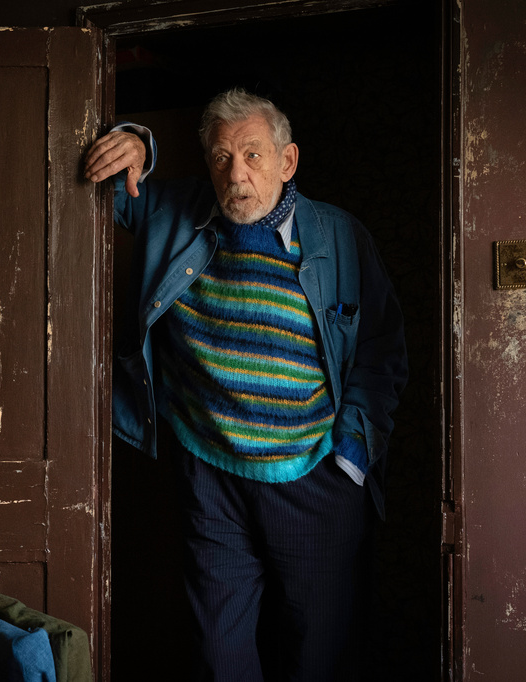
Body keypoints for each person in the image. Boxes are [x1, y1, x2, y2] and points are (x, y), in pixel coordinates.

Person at [85, 88, 407, 680]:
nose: (237, 176)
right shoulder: (171, 212)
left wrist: (352, 455)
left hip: (313, 474)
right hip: (209, 472)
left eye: (254, 156)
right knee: (219, 650)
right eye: (221, 158)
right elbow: (91, 175)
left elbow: (383, 350)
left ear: (287, 162)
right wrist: (137, 141)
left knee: (321, 652)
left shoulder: (339, 237)